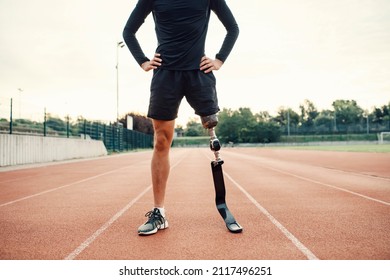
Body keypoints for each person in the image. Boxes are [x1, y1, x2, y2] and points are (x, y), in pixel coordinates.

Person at [123, 0, 239, 235]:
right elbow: (128, 31)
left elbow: (232, 28)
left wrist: (219, 59)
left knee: (212, 131)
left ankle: (224, 205)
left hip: (199, 73)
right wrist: (143, 61)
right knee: (161, 141)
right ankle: (159, 213)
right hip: (166, 75)